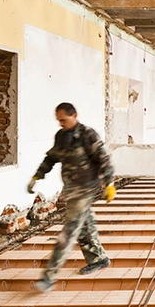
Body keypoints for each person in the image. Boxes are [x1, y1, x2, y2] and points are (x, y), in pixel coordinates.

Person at [27, 102, 116, 293]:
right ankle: (99, 259)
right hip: (72, 189)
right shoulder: (61, 136)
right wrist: (37, 176)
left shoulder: (87, 135)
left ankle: (48, 277)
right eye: (58, 121)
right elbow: (51, 158)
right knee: (85, 224)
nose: (61, 124)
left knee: (69, 232)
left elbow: (104, 159)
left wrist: (109, 183)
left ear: (74, 115)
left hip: (87, 189)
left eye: (64, 120)